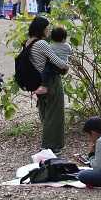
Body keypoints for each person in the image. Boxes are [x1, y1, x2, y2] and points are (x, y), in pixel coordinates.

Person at [25, 17, 69, 152]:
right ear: (42, 29)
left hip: (38, 82)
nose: (49, 30)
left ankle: (48, 144)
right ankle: (51, 146)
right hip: (51, 82)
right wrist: (66, 67)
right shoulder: (42, 44)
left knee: (45, 113)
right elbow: (58, 62)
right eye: (47, 28)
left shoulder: (28, 42)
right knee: (55, 115)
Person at [38, 26, 72, 95]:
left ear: (52, 38)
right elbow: (70, 54)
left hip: (54, 67)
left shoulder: (51, 46)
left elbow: (47, 56)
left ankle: (43, 85)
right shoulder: (68, 46)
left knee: (46, 70)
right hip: (63, 69)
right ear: (64, 39)